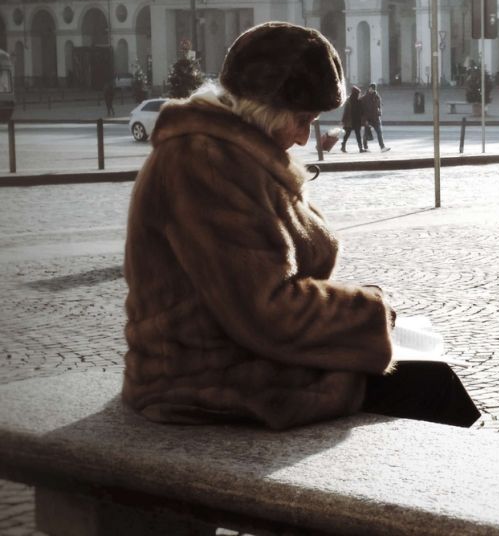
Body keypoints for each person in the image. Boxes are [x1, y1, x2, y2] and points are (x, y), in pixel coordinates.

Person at [122, 21, 478, 430]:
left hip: (242, 354)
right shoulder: (204, 162)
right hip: (202, 376)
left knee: (431, 381)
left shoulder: (239, 154)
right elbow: (265, 310)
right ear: (265, 109)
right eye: (302, 119)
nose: (305, 138)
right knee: (434, 389)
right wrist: (370, 311)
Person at [360, 82, 390, 152]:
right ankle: (365, 147)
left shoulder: (377, 97)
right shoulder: (365, 98)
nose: (371, 90)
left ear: (374, 89)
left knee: (379, 132)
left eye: (372, 89)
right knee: (366, 133)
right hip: (368, 119)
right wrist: (365, 120)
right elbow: (362, 110)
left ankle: (382, 147)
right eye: (370, 88)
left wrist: (379, 113)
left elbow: (379, 107)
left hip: (376, 118)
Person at [340, 85, 366, 153]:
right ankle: (343, 145)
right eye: (358, 93)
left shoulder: (359, 101)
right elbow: (346, 111)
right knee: (347, 134)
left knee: (358, 135)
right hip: (350, 121)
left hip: (357, 121)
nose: (359, 95)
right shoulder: (349, 101)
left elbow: (362, 111)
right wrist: (343, 121)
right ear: (355, 93)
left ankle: (360, 148)